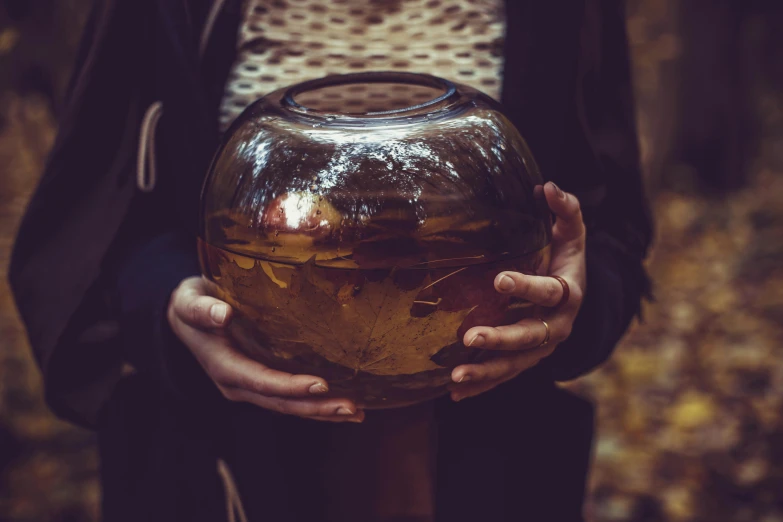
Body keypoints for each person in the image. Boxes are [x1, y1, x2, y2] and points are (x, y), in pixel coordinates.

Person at [9, 0, 653, 520]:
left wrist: (572, 302)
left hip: (490, 462)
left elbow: (610, 226)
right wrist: (171, 310)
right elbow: (107, 217)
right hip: (219, 467)